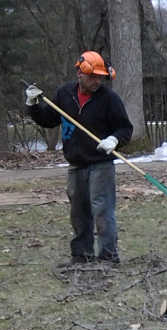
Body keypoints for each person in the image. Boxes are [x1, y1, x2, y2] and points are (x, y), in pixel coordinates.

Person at [25, 51, 133, 265]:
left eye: (100, 77)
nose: (97, 81)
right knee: (79, 212)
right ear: (80, 74)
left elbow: (125, 128)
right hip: (76, 163)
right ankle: (81, 255)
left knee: (102, 210)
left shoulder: (109, 99)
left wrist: (113, 139)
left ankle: (108, 257)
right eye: (93, 76)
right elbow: (49, 119)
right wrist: (33, 105)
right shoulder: (65, 94)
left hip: (100, 163)